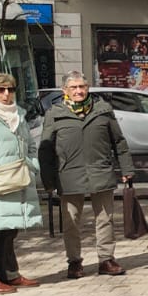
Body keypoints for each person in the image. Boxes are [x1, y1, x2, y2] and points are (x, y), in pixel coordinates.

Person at [39, 72, 133, 278]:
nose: (78, 91)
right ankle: (74, 262)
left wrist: (127, 169)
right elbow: (45, 150)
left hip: (100, 171)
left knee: (105, 219)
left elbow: (119, 141)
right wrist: (48, 181)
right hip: (68, 176)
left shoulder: (103, 110)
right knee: (71, 222)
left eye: (82, 86)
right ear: (65, 90)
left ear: (87, 87)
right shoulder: (54, 113)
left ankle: (106, 260)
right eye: (73, 88)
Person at [0, 73, 43, 294]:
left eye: (10, 89)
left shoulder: (18, 115)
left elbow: (30, 145)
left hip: (16, 180)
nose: (6, 94)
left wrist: (31, 165)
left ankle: (9, 275)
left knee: (9, 229)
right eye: (0, 89)